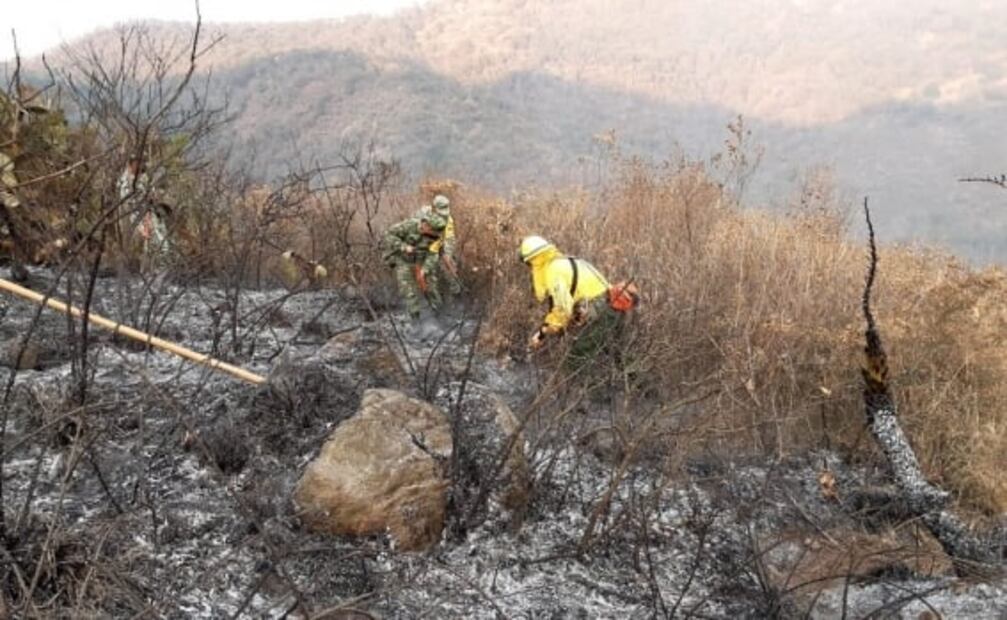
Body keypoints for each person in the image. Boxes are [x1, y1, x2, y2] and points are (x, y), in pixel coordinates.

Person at [518, 235, 639, 365]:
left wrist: (542, 333)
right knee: (618, 357)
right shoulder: (565, 261)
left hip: (601, 311)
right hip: (612, 309)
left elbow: (563, 310)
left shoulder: (553, 271)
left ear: (533, 260)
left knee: (575, 361)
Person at [383, 210, 450, 321]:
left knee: (431, 288)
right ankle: (416, 319)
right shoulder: (410, 225)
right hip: (404, 260)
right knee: (409, 292)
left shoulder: (437, 236)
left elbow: (433, 255)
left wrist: (425, 270)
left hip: (422, 261)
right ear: (427, 225)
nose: (435, 234)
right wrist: (403, 246)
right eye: (433, 231)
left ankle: (439, 315)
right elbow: (388, 235)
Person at [417, 194, 462, 299]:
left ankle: (456, 292)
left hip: (440, 246)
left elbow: (449, 239)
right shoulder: (423, 213)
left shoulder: (448, 220)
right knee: (427, 274)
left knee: (449, 269)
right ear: (434, 208)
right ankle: (432, 297)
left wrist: (447, 256)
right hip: (424, 246)